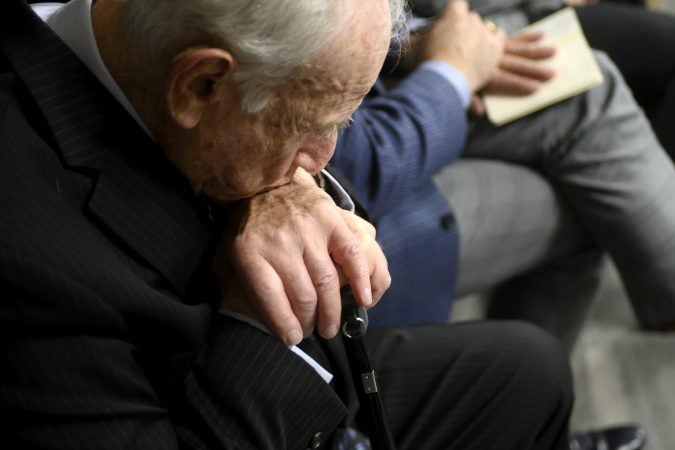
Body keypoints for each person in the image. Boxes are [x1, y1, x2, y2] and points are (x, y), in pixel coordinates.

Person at [0, 0, 578, 449]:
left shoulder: (134, 44)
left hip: (295, 377)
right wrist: (257, 311)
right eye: (313, 126)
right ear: (200, 86)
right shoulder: (31, 267)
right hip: (219, 400)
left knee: (533, 374)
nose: (325, 158)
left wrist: (283, 189)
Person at [331, 0, 675, 352]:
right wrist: (452, 74)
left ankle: (527, 385)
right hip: (351, 224)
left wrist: (425, 47)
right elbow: (353, 168)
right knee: (585, 147)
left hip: (403, 70)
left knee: (580, 85)